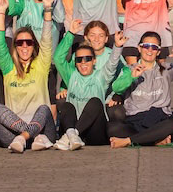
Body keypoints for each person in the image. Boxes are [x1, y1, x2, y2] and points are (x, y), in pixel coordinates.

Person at [107, 19, 173, 149]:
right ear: (139, 48)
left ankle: (128, 141)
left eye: (154, 47)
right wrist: (131, 77)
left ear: (158, 51)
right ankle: (154, 139)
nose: (149, 50)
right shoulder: (130, 68)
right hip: (136, 119)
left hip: (159, 119)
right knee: (112, 128)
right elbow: (116, 87)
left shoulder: (166, 68)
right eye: (146, 46)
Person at [0, 9, 58, 152]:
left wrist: (47, 9)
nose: (25, 46)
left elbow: (47, 40)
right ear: (15, 46)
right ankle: (25, 134)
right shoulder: (9, 68)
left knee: (44, 109)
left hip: (43, 133)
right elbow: (0, 45)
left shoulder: (41, 65)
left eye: (29, 42)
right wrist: (1, 13)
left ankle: (24, 136)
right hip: (14, 134)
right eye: (20, 43)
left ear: (34, 45)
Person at [53, 20, 125, 150]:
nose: (83, 62)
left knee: (95, 102)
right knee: (67, 105)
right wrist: (70, 34)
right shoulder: (72, 75)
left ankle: (71, 135)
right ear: (75, 62)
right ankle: (72, 134)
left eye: (88, 59)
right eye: (79, 59)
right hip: (74, 123)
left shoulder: (101, 77)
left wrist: (118, 46)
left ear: (94, 60)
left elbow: (112, 65)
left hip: (94, 133)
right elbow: (58, 58)